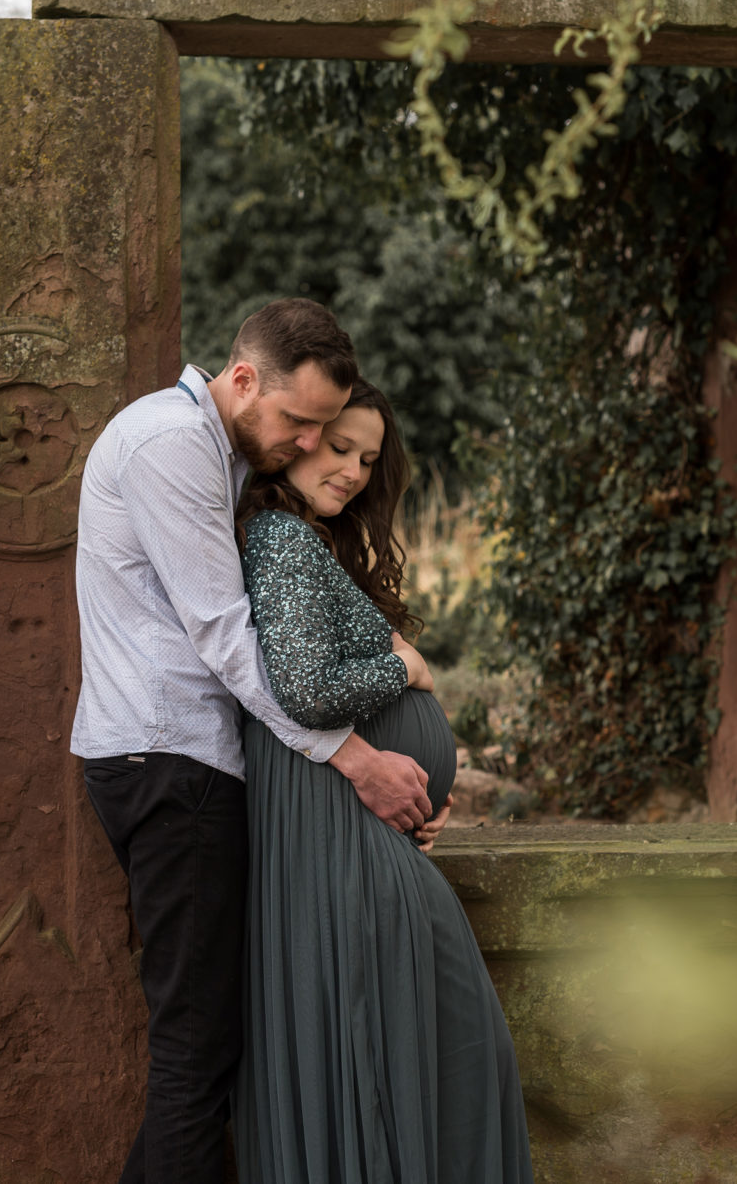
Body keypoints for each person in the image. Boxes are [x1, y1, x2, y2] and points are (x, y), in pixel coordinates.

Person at [71, 299, 438, 1184]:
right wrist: (358, 760)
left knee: (204, 1052)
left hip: (177, 767)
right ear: (242, 380)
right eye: (301, 423)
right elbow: (224, 634)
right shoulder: (170, 445)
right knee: (196, 1056)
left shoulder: (216, 451)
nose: (310, 445)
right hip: (169, 768)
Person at [232, 380, 534, 1183]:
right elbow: (306, 690)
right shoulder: (282, 541)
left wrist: (414, 795)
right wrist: (401, 666)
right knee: (449, 1046)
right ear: (298, 439)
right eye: (340, 449)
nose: (356, 472)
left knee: (415, 1051)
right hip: (338, 836)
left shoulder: (306, 543)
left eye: (369, 459)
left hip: (359, 825)